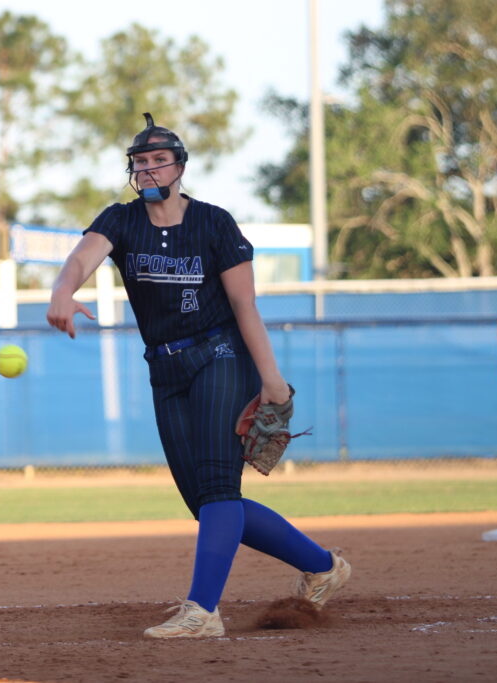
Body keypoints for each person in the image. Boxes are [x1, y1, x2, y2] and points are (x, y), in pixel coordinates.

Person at [46, 112, 351, 639]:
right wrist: (61, 292)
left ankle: (202, 612)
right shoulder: (121, 221)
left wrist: (272, 379)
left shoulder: (214, 222)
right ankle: (324, 566)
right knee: (206, 500)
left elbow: (244, 304)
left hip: (220, 356)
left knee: (216, 487)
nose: (147, 170)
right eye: (139, 163)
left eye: (158, 161)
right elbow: (79, 260)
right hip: (164, 366)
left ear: (180, 167)